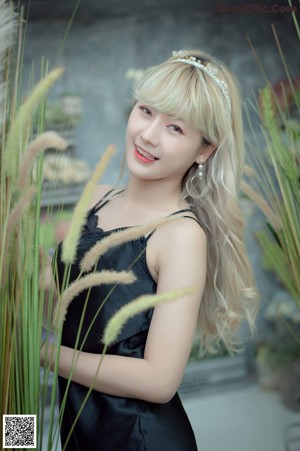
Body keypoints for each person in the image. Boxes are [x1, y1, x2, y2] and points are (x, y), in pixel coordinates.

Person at [41, 49, 258, 450]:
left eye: (175, 128)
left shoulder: (180, 236)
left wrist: (43, 354)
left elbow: (160, 382)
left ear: (204, 150)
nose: (148, 134)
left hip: (137, 439)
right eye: (146, 111)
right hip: (76, 430)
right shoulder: (96, 200)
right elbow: (58, 308)